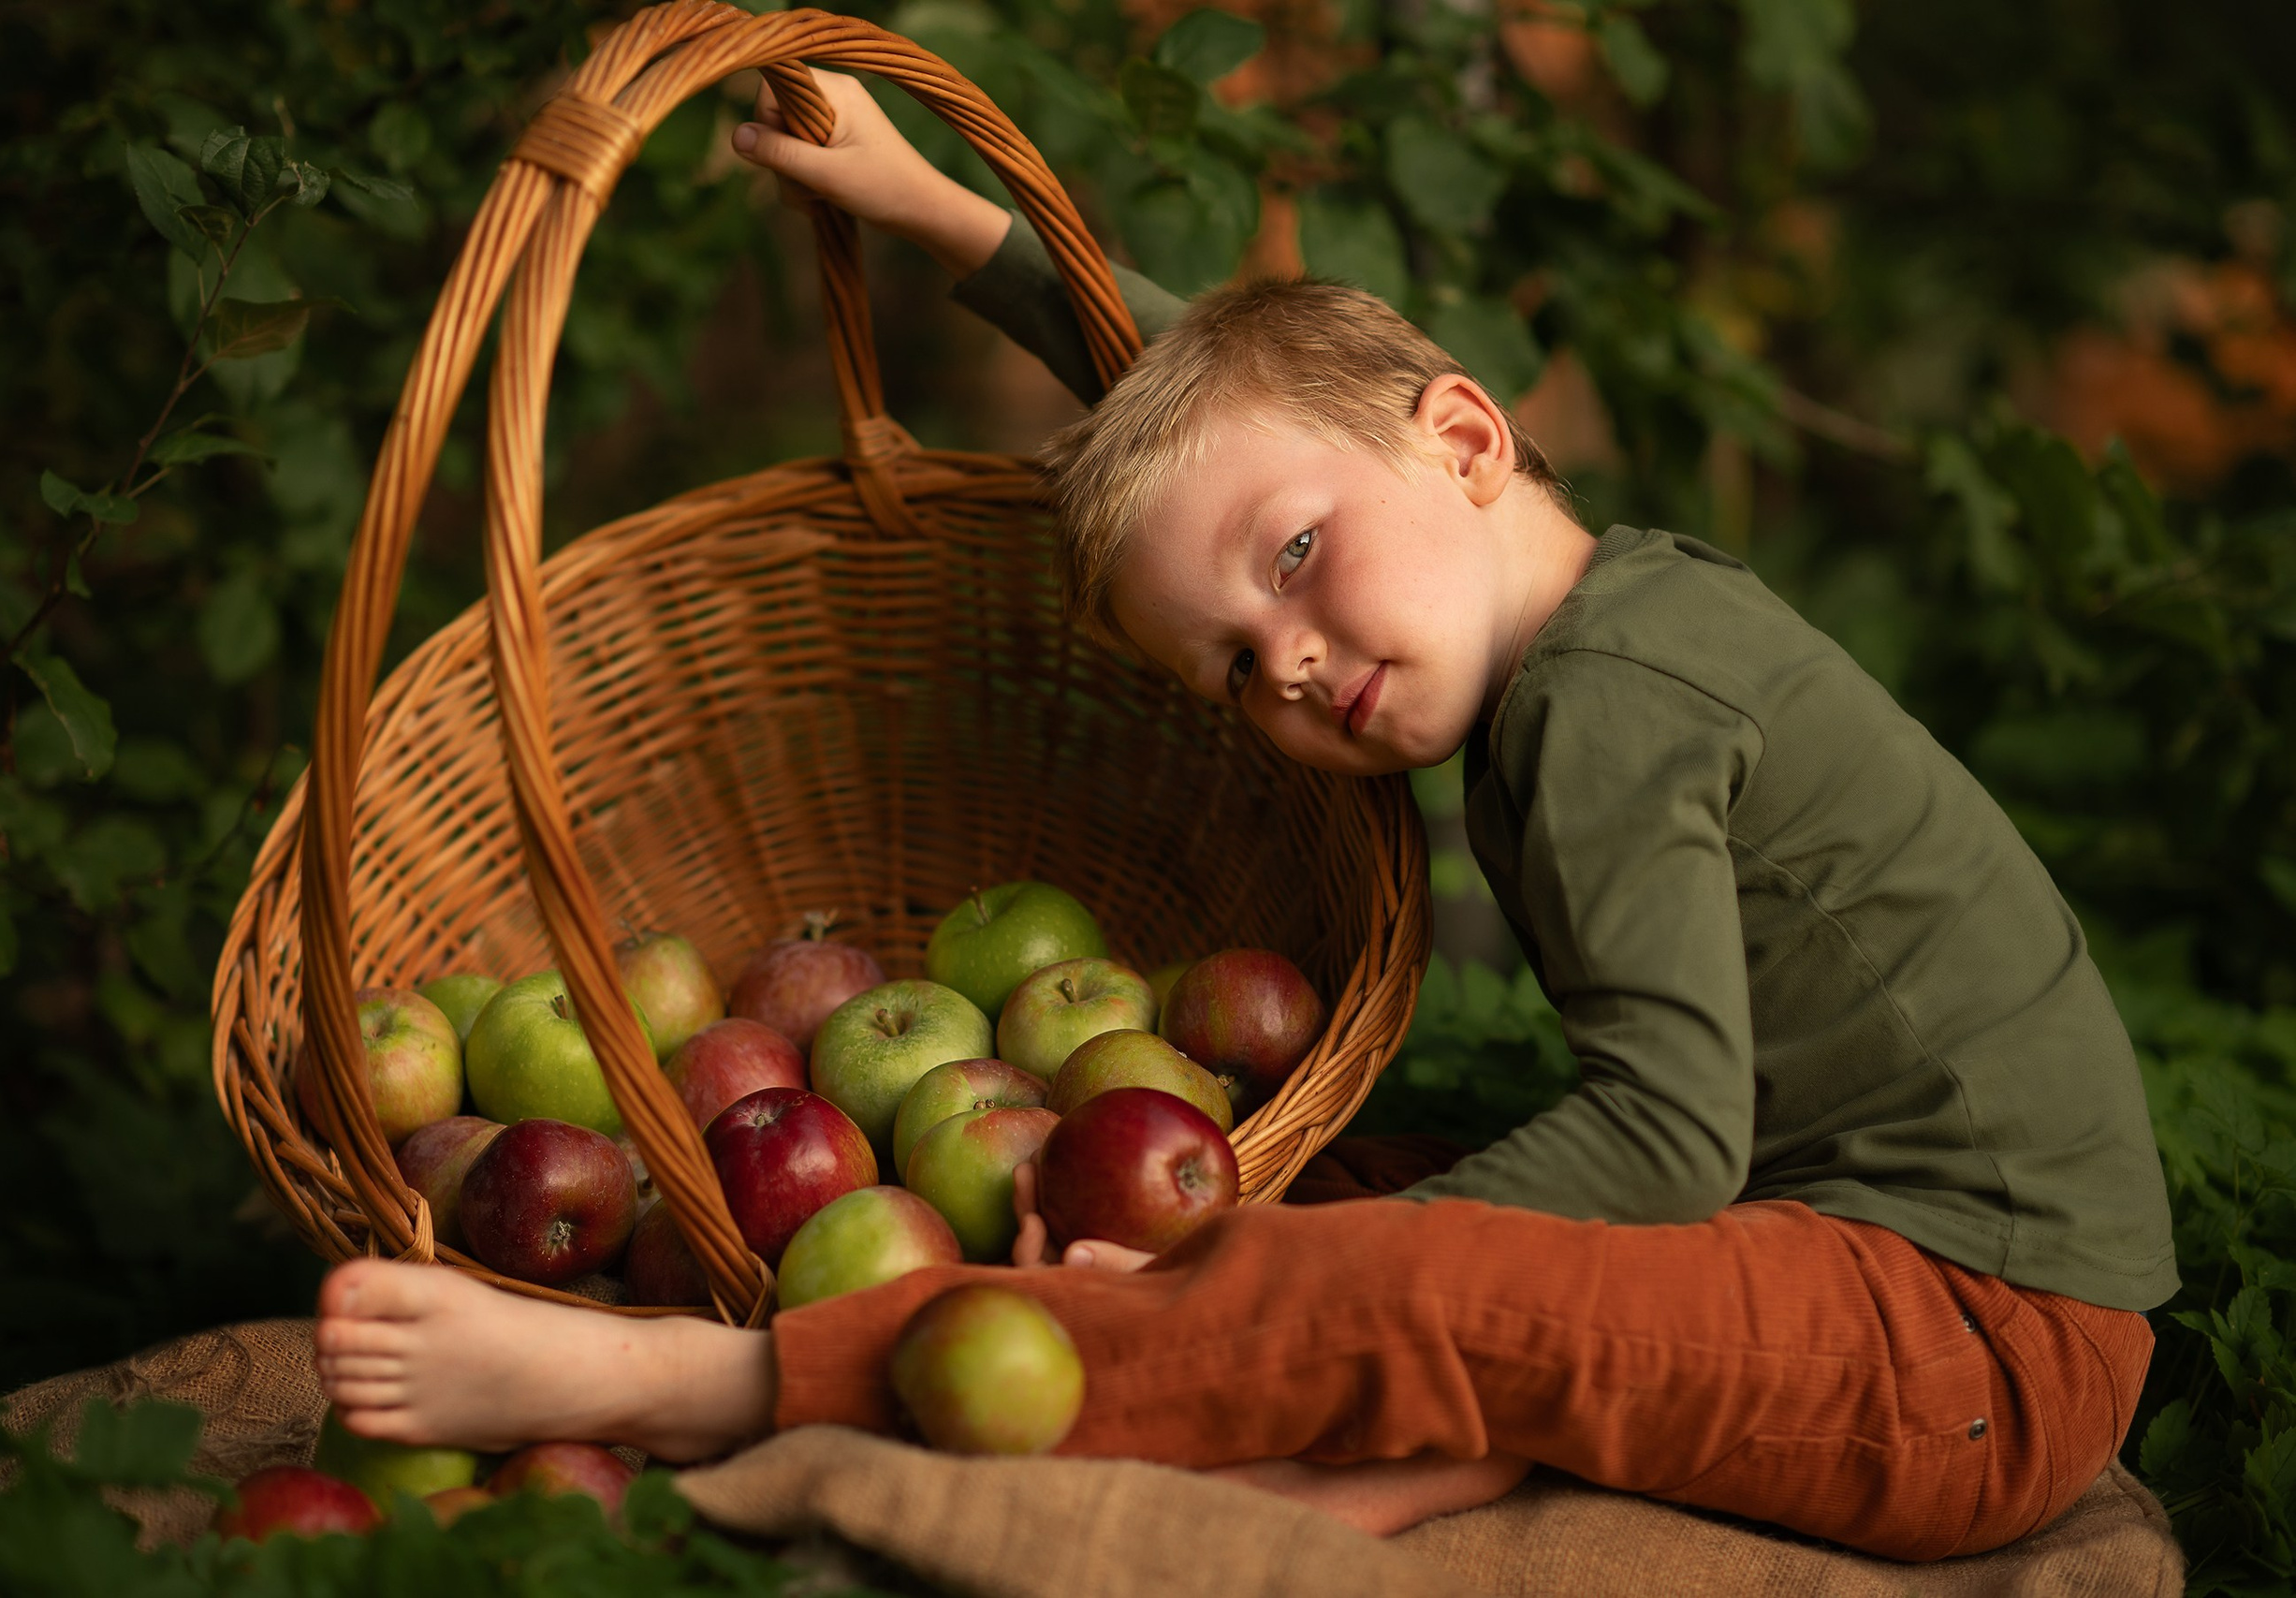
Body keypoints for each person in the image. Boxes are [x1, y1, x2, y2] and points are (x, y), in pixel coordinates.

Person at [314, 71, 2176, 1558]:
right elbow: (1220, 447)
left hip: (1966, 1343)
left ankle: (706, 1386)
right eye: (1226, 664)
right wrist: (941, 212)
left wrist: (1248, 1265)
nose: (1282, 663)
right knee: (1348, 1166)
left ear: (1462, 438)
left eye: (1298, 567)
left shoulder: (1616, 701)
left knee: (1362, 1250)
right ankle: (1420, 1430)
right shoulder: (1567, 599)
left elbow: (1671, 1139)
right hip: (1846, 1245)